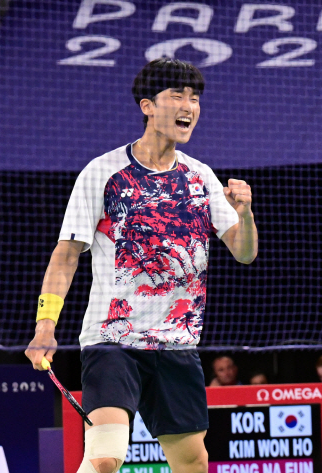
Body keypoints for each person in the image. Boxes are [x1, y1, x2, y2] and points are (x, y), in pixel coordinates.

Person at [24, 58, 258, 473]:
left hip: (177, 343)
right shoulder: (103, 172)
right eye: (177, 96)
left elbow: (243, 252)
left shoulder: (200, 177)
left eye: (195, 98)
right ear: (148, 106)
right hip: (113, 338)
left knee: (193, 462)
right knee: (105, 457)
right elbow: (65, 256)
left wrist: (246, 213)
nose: (189, 106)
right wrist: (46, 326)